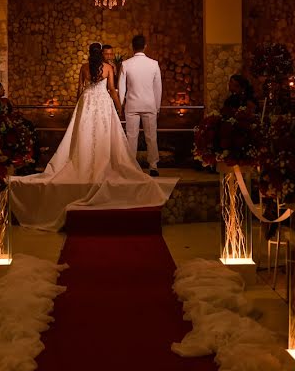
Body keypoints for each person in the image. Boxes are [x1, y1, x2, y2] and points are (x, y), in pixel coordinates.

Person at [10, 42, 177, 231]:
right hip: (103, 102)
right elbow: (112, 90)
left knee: (84, 133)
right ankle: (106, 163)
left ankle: (85, 162)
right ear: (102, 54)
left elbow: (80, 89)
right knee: (105, 134)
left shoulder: (83, 67)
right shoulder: (108, 68)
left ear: (90, 53)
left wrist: (78, 105)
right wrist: (119, 107)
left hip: (87, 101)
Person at [118, 35, 163, 176]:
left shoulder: (126, 64)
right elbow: (158, 88)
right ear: (145, 46)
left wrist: (121, 104)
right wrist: (157, 107)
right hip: (150, 104)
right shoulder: (154, 64)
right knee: (151, 137)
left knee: (131, 137)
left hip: (132, 105)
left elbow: (121, 87)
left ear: (132, 46)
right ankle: (153, 166)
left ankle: (131, 167)